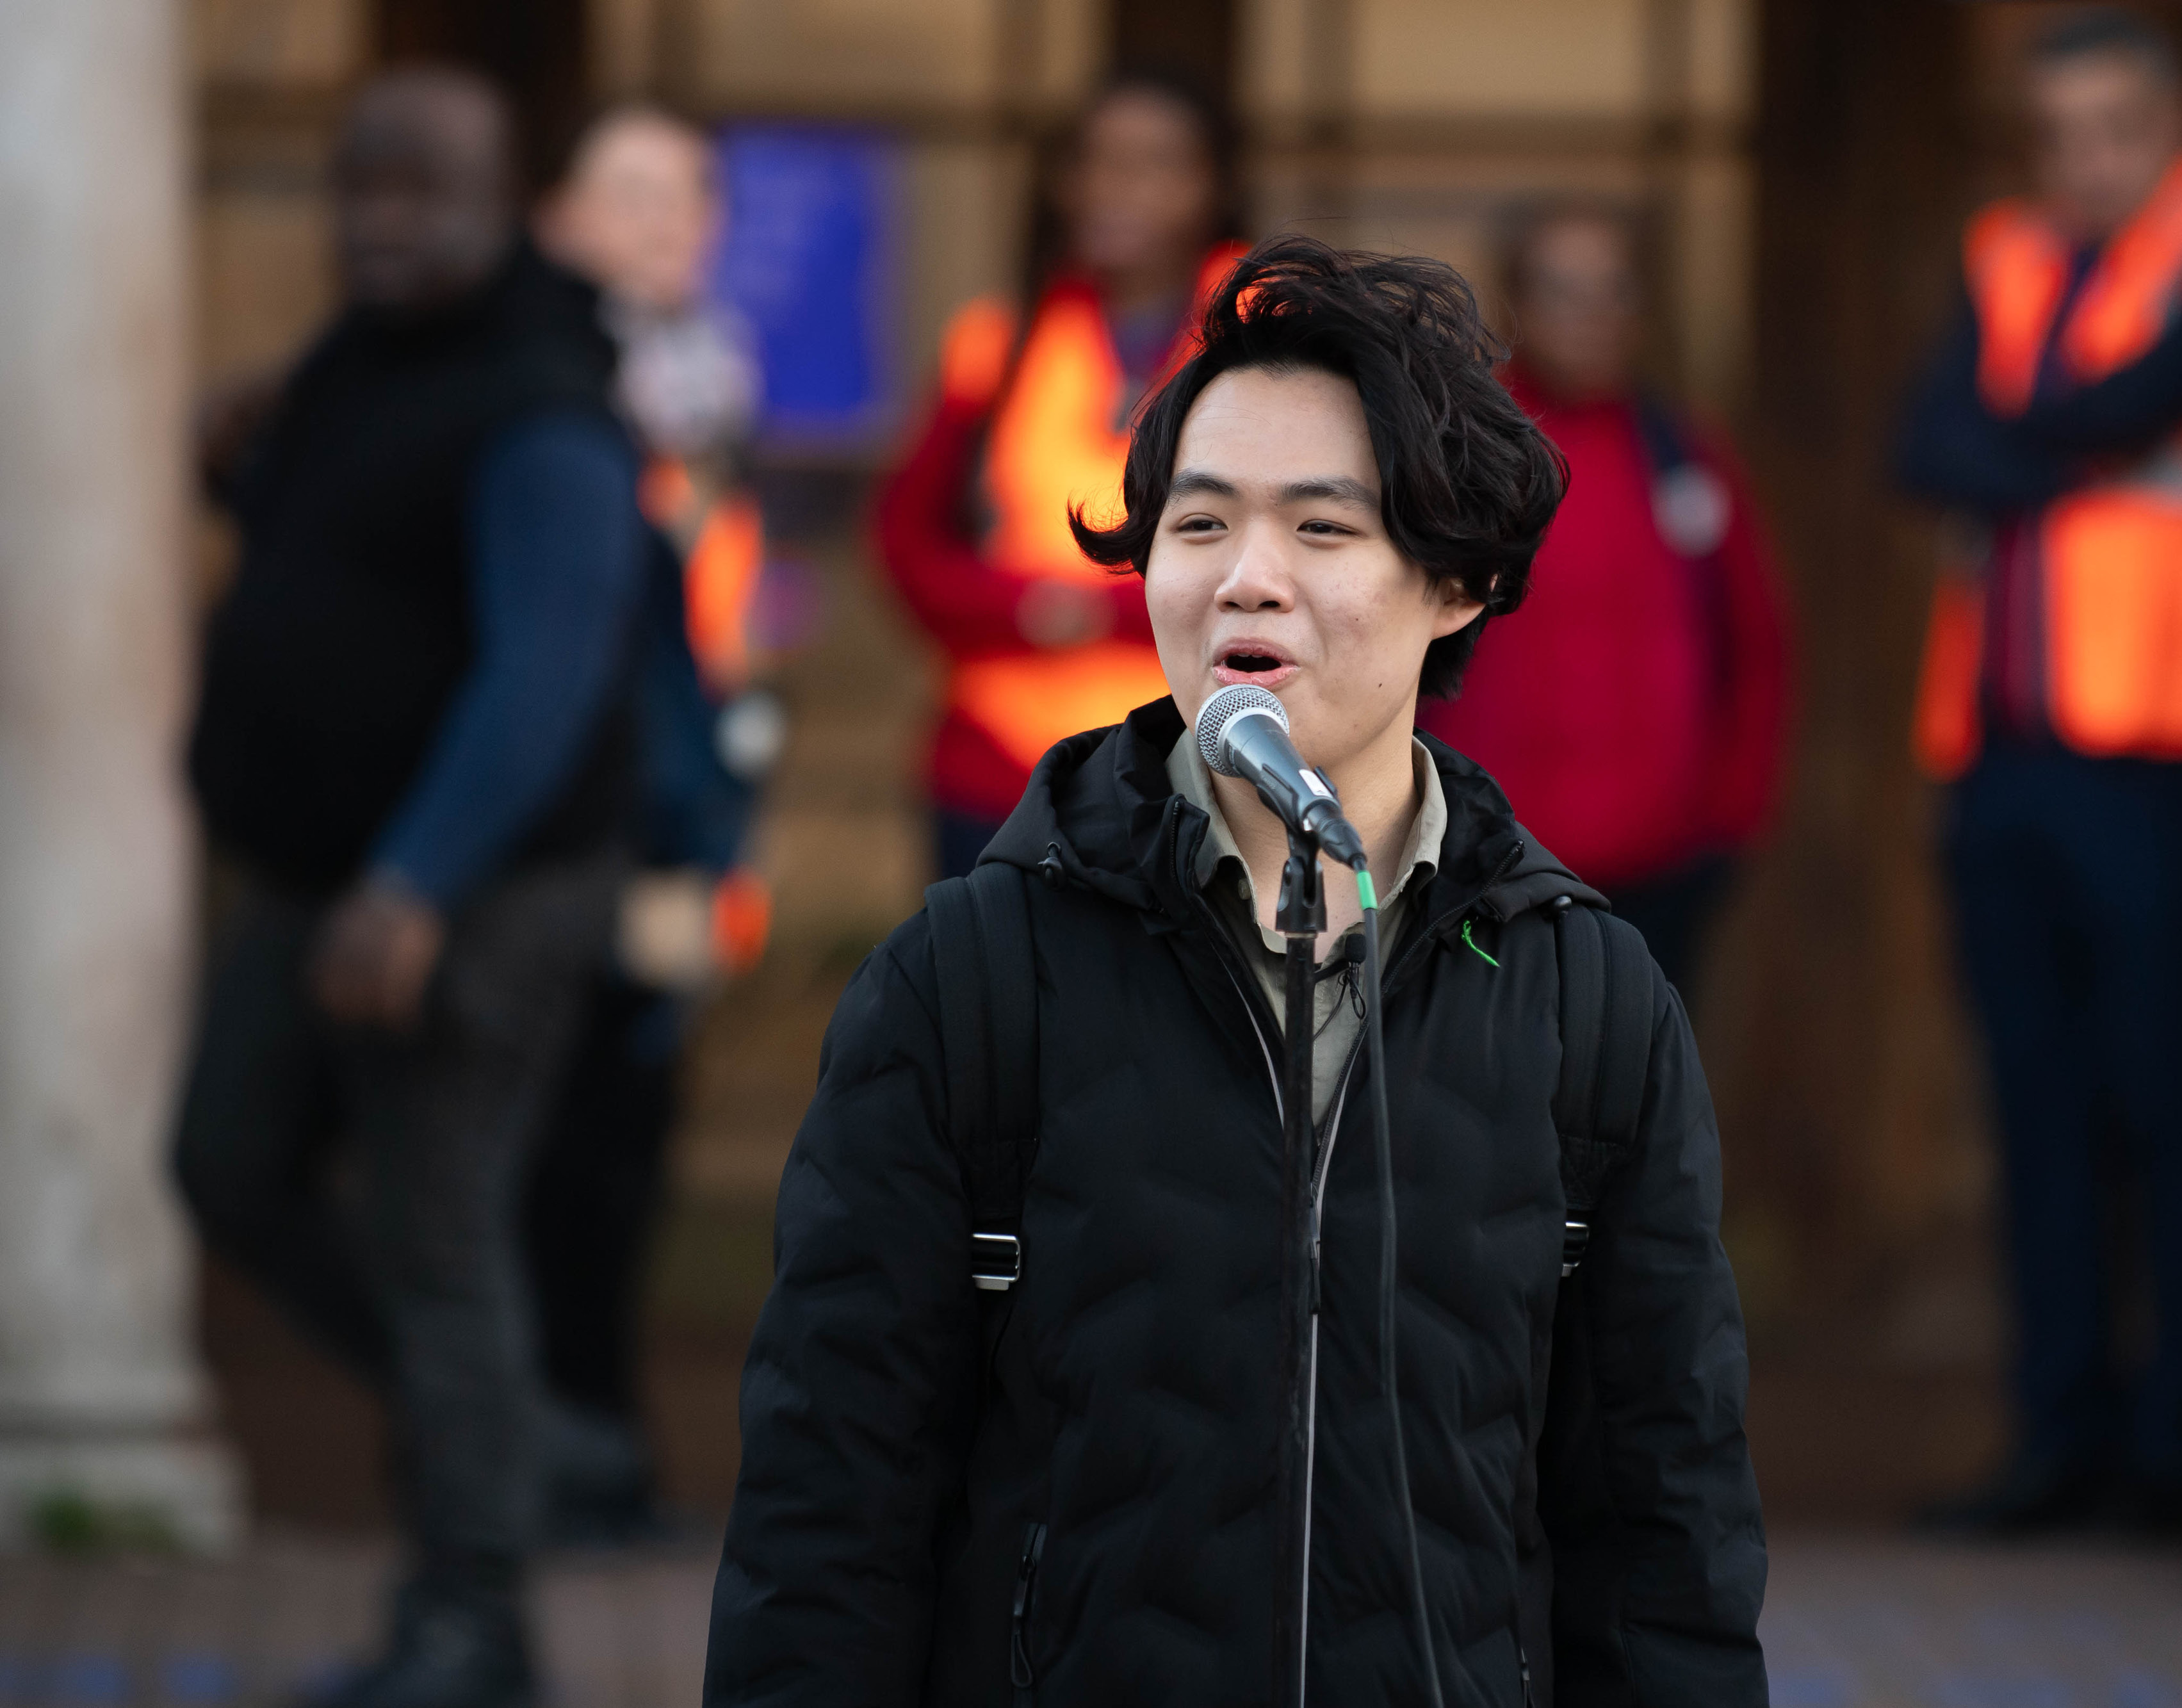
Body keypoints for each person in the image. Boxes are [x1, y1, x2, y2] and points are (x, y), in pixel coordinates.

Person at [704, 236, 1766, 1705]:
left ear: (1452, 581)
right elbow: (827, 1517)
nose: (1243, 582)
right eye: (1198, 528)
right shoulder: (969, 981)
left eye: (1321, 532)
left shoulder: (1589, 1005)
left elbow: (1666, 1534)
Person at [174, 68, 647, 1708]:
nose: (377, 222)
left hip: (474, 885)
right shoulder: (364, 355)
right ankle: (520, 1435)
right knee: (224, 1156)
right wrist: (243, 470)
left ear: (498, 200)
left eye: (417, 191)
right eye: (355, 187)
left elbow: (546, 673)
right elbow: (364, 573)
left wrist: (415, 879)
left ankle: (475, 1619)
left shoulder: (540, 401)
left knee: (438, 1238)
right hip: (324, 865)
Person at [1895, 8, 2182, 1535]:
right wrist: (2042, 441)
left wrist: (2024, 438)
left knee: (2173, 1094)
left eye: (2115, 126)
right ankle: (2057, 1432)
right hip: (1999, 743)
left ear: (2178, 111)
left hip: (2169, 744)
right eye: (2056, 133)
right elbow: (1922, 445)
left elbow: (2151, 401)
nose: (2085, 162)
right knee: (2035, 1099)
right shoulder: (2002, 250)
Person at [525, 100, 774, 1543]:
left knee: (626, 1133)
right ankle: (544, 1454)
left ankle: (598, 1446)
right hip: (572, 814)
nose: (673, 219)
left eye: (692, 191)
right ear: (559, 214)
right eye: (635, 191)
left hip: (682, 811)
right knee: (548, 1141)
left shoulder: (708, 375)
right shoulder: (543, 381)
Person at [876, 69, 1248, 880]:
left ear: (1212, 185)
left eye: (1155, 163)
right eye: (1097, 162)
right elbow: (905, 549)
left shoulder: (1269, 341)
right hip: (994, 766)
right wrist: (1036, 610)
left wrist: (1090, 615)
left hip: (1197, 769)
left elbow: (1292, 564)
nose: (1118, 187)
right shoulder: (999, 339)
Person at [1424, 200, 1792, 1000]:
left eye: (1613, 291)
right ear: (1517, 306)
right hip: (1489, 864)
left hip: (1663, 870)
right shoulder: (1459, 462)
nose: (1592, 316)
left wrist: (1727, 821)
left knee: (1634, 1102)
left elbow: (1755, 645)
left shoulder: (1683, 455)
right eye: (1564, 291)